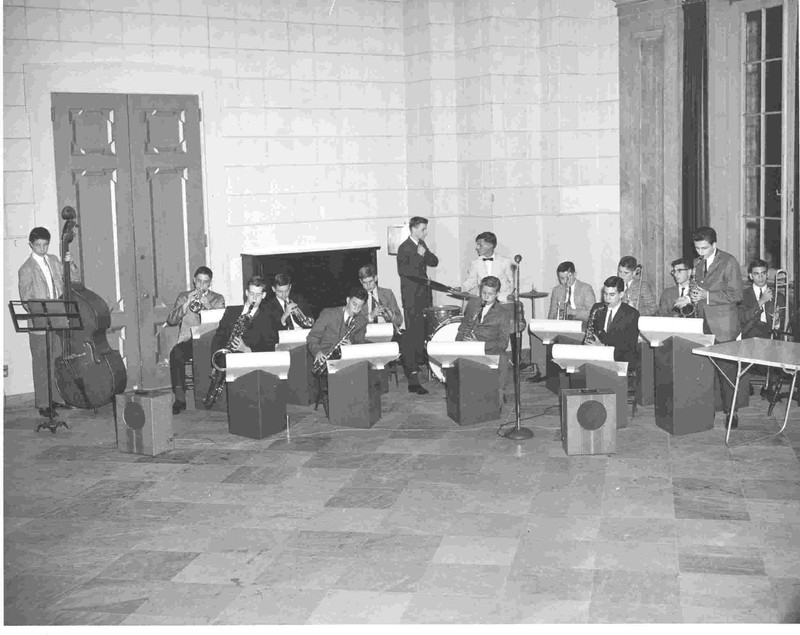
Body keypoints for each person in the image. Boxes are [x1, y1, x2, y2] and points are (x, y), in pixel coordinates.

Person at [18, 226, 79, 418]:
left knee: (57, 359)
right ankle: (44, 404)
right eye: (38, 245)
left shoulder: (53, 260)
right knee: (41, 362)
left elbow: (73, 280)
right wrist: (40, 310)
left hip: (57, 317)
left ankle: (58, 399)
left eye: (45, 245)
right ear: (31, 245)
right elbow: (26, 298)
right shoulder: (26, 268)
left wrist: (70, 264)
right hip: (40, 320)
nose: (42, 249)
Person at [690, 226, 743, 428]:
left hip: (724, 326)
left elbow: (736, 294)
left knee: (727, 373)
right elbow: (699, 288)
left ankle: (732, 413)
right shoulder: (697, 262)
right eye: (697, 248)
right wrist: (691, 296)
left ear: (714, 245)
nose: (700, 253)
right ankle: (707, 411)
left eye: (704, 248)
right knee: (706, 372)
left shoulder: (729, 262)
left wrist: (707, 296)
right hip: (702, 323)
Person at [166, 266, 225, 414]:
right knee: (176, 354)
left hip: (210, 340)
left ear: (210, 283)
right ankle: (180, 399)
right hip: (188, 340)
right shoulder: (183, 296)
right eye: (199, 281)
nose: (201, 286)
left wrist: (208, 306)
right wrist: (186, 304)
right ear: (194, 280)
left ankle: (209, 397)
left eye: (205, 283)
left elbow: (222, 324)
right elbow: (172, 321)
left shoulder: (218, 299)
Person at [456, 276, 516, 405]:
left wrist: (479, 345)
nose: (486, 297)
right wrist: (459, 342)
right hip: (468, 343)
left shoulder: (503, 313)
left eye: (490, 294)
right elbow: (463, 326)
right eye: (483, 293)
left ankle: (498, 396)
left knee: (503, 360)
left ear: (497, 294)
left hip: (489, 348)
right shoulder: (473, 304)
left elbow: (503, 343)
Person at [397, 216, 439, 394]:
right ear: (413, 229)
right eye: (422, 229)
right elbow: (405, 272)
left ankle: (418, 366)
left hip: (424, 296)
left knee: (423, 333)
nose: (425, 232)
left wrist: (424, 254)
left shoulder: (421, 244)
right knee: (413, 334)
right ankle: (412, 377)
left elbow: (434, 261)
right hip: (412, 298)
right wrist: (418, 256)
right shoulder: (404, 247)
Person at [210, 275, 274, 368]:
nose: (254, 299)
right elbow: (218, 338)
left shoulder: (268, 319)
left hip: (251, 365)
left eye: (258, 295)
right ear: (246, 293)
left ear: (263, 295)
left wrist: (246, 349)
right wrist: (216, 362)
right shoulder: (231, 311)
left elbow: (269, 348)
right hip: (226, 362)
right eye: (252, 294)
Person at [585, 276, 640, 371]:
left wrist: (604, 348)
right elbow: (590, 334)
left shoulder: (632, 314)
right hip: (596, 360)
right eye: (605, 294)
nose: (607, 299)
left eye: (612, 295)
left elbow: (629, 347)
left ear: (621, 294)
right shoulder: (597, 308)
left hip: (620, 363)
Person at [307, 287, 369, 370]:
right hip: (323, 359)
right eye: (354, 304)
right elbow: (312, 337)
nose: (356, 309)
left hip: (346, 363)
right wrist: (318, 352)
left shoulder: (362, 321)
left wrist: (352, 346)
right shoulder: (329, 314)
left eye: (360, 306)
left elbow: (360, 344)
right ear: (348, 300)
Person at [454, 232, 515, 301]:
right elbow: (470, 281)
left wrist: (510, 295)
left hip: (502, 301)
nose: (477, 248)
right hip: (483, 300)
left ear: (490, 245)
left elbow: (513, 282)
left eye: (480, 245)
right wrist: (461, 288)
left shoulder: (505, 261)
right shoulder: (475, 263)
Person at [262, 273, 315, 350]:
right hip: (282, 341)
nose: (284, 295)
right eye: (280, 291)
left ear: (290, 287)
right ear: (273, 289)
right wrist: (285, 315)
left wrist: (309, 319)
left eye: (286, 291)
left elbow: (310, 320)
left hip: (302, 337)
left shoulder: (299, 299)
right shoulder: (267, 306)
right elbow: (271, 334)